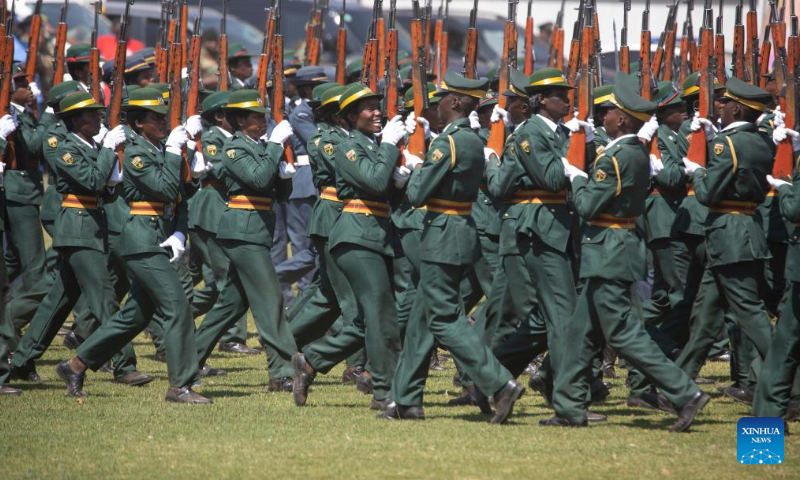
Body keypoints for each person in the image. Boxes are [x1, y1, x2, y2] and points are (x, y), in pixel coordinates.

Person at [542, 73, 709, 432]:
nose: (602, 117)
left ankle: (685, 393)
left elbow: (587, 205)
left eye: (608, 113)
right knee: (579, 333)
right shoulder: (630, 152)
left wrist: (576, 176)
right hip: (611, 249)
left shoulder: (616, 158)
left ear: (622, 119)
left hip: (609, 252)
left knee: (622, 334)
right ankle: (569, 406)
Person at [381, 70, 525, 424]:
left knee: (443, 317)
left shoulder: (450, 142)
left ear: (456, 102)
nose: (436, 107)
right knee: (421, 319)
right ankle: (406, 399)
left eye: (441, 100)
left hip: (443, 234)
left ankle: (498, 383)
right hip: (457, 231)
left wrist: (415, 165)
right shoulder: (471, 139)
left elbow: (416, 194)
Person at [56, 87, 210, 404]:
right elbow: (166, 188)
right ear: (138, 123)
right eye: (155, 117)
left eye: (164, 116)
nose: (163, 122)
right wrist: (172, 150)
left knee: (134, 317)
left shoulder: (160, 148)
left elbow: (183, 195)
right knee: (177, 306)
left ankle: (75, 365)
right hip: (142, 239)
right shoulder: (136, 152)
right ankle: (180, 385)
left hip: (164, 237)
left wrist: (181, 232)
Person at [9, 91, 149, 386]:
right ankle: (124, 365)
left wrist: (112, 169)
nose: (98, 117)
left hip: (90, 226)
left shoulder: (91, 146)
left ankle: (20, 361)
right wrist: (109, 152)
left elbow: (107, 190)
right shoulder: (65, 148)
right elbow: (93, 181)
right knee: (105, 301)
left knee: (57, 303)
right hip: (78, 228)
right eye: (91, 114)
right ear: (75, 120)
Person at [292, 83, 406, 410]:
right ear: (352, 117)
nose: (376, 112)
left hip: (378, 235)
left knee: (378, 315)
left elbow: (388, 191)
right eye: (368, 108)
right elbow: (372, 182)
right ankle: (383, 392)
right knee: (378, 314)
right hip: (355, 234)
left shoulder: (373, 145)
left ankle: (311, 361)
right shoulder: (348, 146)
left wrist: (404, 167)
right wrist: (388, 147)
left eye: (377, 106)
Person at [193, 89, 300, 392]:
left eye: (262, 115)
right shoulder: (233, 147)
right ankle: (284, 370)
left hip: (256, 228)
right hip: (242, 231)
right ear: (239, 120)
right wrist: (276, 148)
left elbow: (277, 192)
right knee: (270, 300)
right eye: (255, 116)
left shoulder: (260, 145)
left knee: (231, 304)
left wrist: (284, 175)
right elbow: (256, 179)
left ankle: (188, 361)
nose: (262, 120)